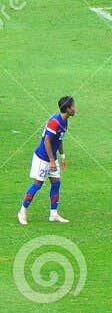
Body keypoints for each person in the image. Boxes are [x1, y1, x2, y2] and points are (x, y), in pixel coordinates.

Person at [19, 96, 74, 226]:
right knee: (37, 184)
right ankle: (22, 211)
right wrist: (51, 161)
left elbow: (59, 139)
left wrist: (62, 156)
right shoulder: (55, 122)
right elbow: (47, 141)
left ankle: (53, 214)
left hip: (51, 158)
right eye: (73, 106)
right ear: (68, 109)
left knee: (56, 183)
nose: (75, 109)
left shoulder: (65, 121)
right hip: (42, 157)